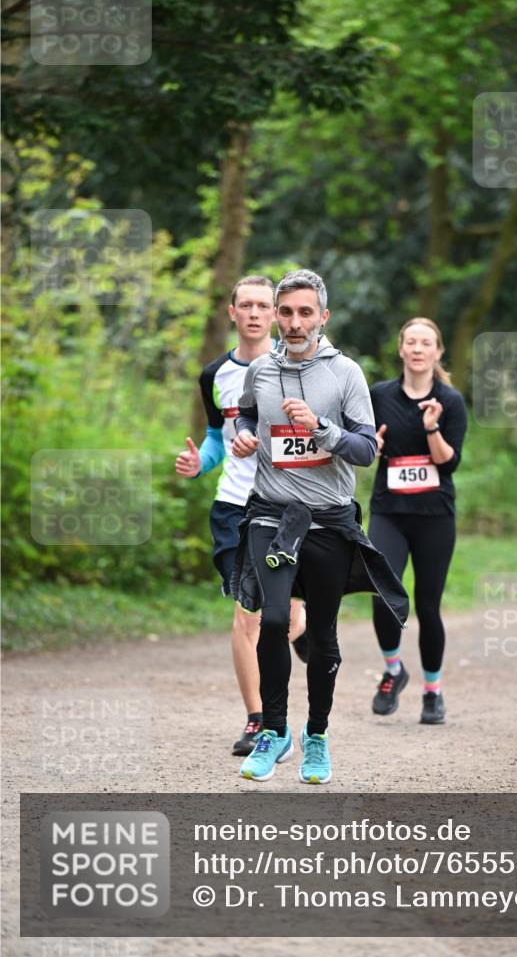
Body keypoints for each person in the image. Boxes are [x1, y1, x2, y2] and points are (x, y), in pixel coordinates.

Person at [230, 268, 409, 783]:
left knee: (324, 633)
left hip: (329, 521)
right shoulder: (261, 370)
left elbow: (366, 450)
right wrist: (244, 436)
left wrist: (321, 429)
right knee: (274, 619)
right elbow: (246, 415)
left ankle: (317, 736)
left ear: (322, 317)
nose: (293, 321)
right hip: (271, 514)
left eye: (304, 312)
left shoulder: (346, 373)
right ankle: (274, 731)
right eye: (285, 311)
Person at [175, 275, 306, 757]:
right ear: (232, 313)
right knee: (245, 615)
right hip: (233, 506)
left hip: (288, 504)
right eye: (245, 305)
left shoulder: (297, 369)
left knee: (284, 616)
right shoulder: (214, 376)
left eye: (262, 305)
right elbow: (216, 440)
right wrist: (199, 464)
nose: (253, 313)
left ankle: (302, 626)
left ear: (275, 314)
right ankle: (259, 720)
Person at [367, 317, 468, 725]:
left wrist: (431, 428)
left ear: (437, 351)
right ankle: (393, 670)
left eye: (426, 342)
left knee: (428, 606)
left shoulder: (451, 400)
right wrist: (367, 447)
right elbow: (361, 444)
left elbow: (449, 463)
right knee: (383, 595)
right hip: (389, 511)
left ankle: (433, 691)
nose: (418, 348)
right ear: (401, 349)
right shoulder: (379, 396)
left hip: (433, 516)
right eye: (411, 341)